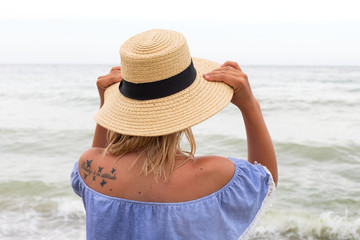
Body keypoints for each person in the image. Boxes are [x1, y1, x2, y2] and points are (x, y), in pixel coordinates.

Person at [71, 29, 277, 240]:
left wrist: (107, 105)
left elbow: (101, 155)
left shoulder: (90, 166)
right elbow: (265, 181)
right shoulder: (213, 173)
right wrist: (250, 105)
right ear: (186, 102)